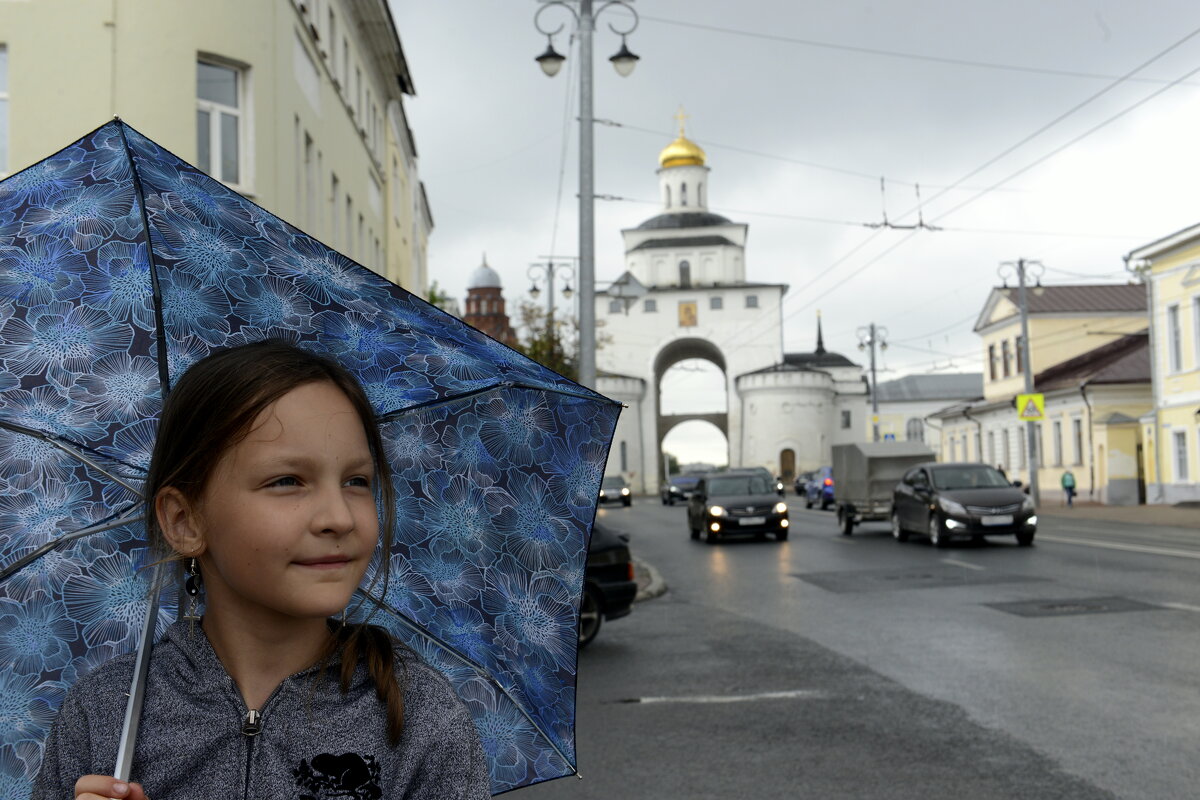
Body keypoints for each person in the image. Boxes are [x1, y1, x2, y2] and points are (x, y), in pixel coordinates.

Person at [34, 341, 490, 800]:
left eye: (356, 481)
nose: (340, 517)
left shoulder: (419, 719)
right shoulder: (105, 713)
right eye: (287, 481)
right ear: (184, 521)